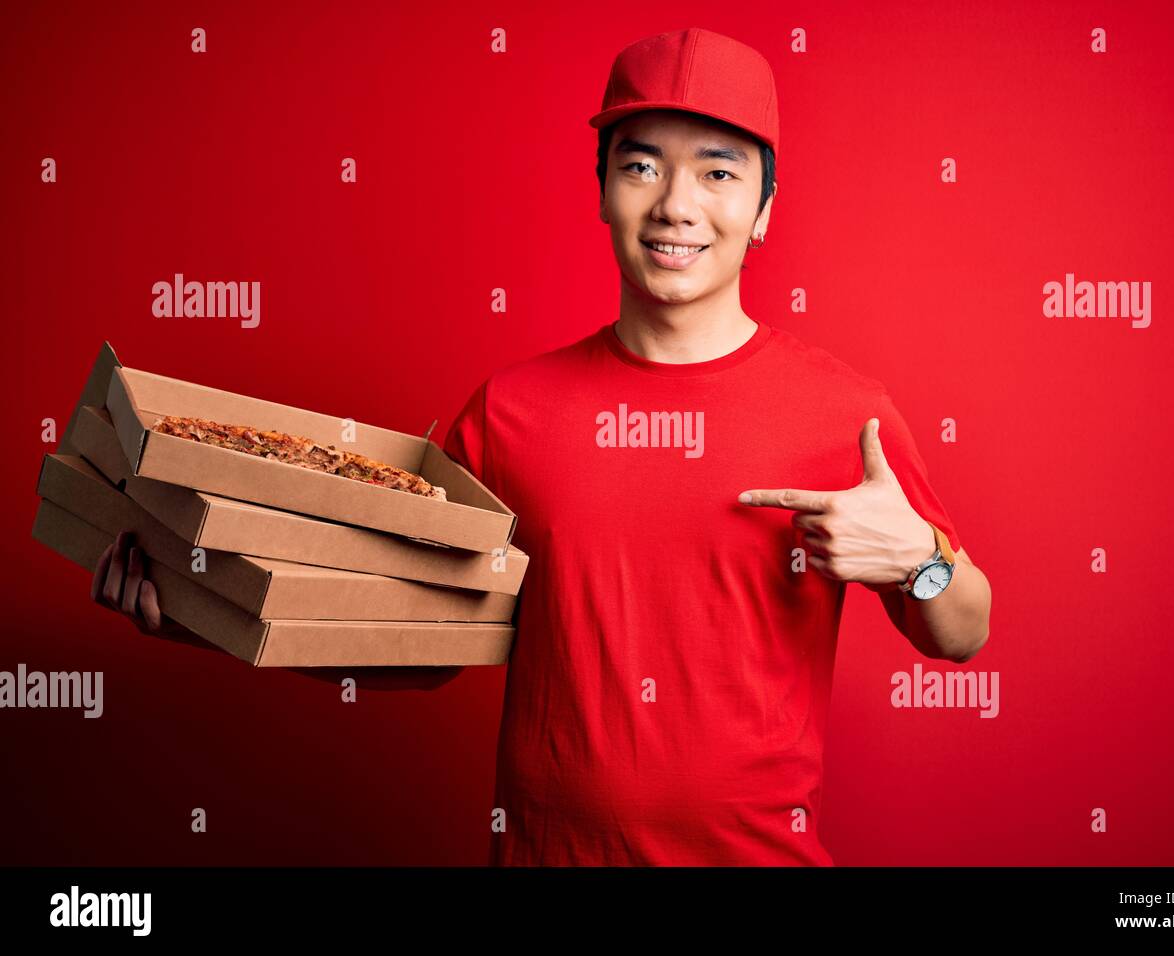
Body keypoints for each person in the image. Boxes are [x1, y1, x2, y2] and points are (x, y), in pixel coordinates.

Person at [97, 27, 991, 865]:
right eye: (641, 165)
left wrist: (922, 560)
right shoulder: (509, 412)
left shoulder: (845, 415)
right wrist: (201, 612)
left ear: (763, 210)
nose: (675, 205)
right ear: (603, 190)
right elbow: (416, 644)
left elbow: (963, 633)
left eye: (718, 173)